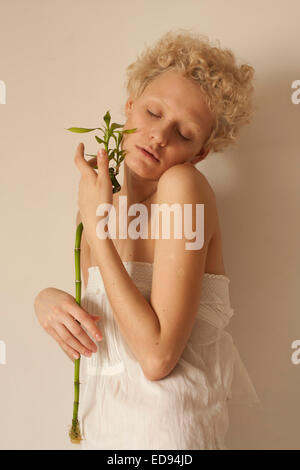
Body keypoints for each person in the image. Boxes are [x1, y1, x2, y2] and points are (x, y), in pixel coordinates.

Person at [34, 29, 260, 450]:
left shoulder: (183, 186)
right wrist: (47, 302)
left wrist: (97, 229)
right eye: (154, 112)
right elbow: (106, 351)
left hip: (167, 437)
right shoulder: (98, 205)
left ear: (201, 154)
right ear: (130, 107)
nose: (160, 136)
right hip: (104, 429)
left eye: (185, 133)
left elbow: (155, 358)